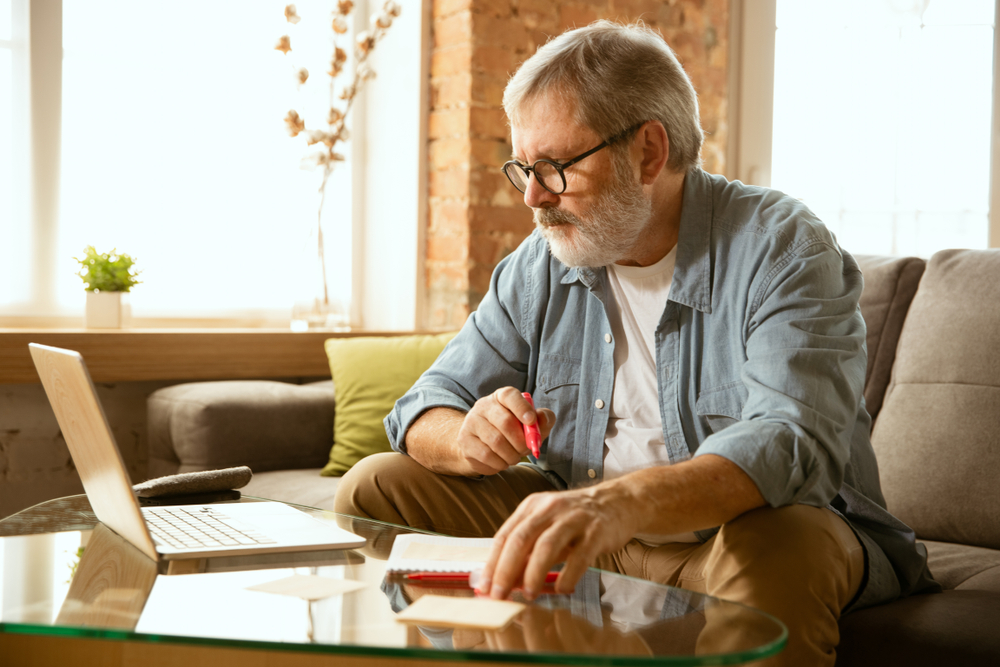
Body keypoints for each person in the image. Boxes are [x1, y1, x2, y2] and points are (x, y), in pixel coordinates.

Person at [335, 20, 938, 666]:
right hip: (589, 530)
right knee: (376, 487)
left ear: (649, 152)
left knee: (776, 548)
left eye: (555, 168)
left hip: (731, 540)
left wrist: (622, 501)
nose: (533, 197)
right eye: (523, 169)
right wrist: (466, 436)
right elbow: (423, 404)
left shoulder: (782, 247)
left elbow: (792, 439)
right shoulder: (543, 261)